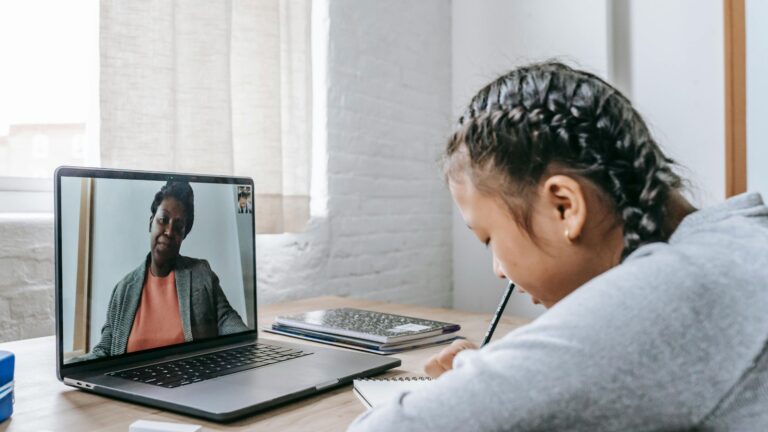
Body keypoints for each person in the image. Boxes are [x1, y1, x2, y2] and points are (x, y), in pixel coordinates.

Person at [349, 62, 768, 430]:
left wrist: (490, 382)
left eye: (489, 238)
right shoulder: (735, 242)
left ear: (565, 206)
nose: (498, 269)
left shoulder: (677, 287)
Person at [80, 181, 249, 361]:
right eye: (163, 220)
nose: (169, 231)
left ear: (183, 235)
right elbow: (104, 350)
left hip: (192, 384)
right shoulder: (123, 290)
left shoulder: (201, 274)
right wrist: (67, 367)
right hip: (130, 386)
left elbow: (227, 320)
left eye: (178, 226)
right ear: (151, 222)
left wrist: (251, 346)